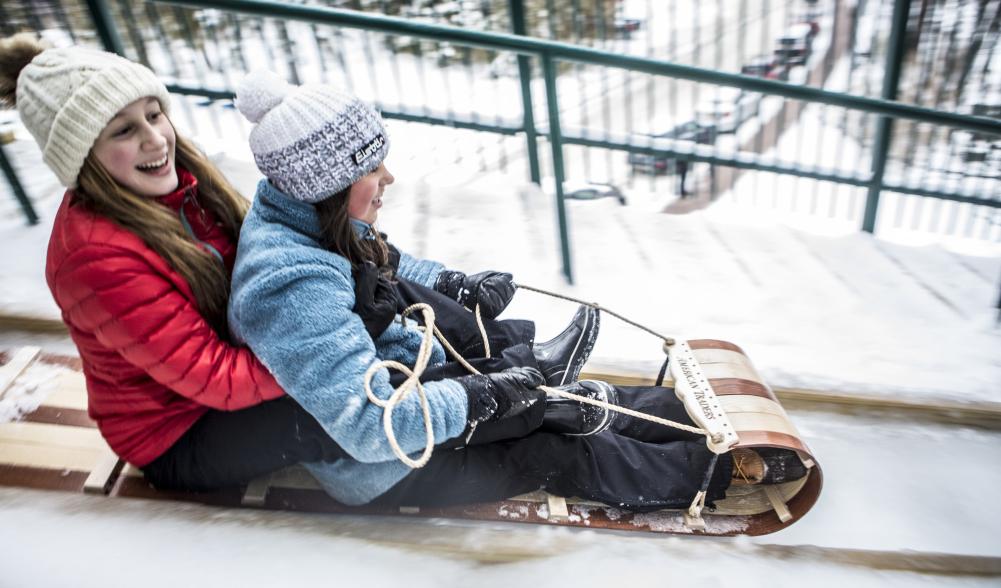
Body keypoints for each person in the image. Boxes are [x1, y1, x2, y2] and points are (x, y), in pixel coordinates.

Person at [228, 70, 808, 510]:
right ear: (329, 184)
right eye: (373, 169)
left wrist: (455, 284)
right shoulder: (288, 287)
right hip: (385, 465)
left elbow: (387, 260)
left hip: (414, 389)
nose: (389, 180)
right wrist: (480, 399)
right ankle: (722, 473)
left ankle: (682, 415)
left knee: (551, 402)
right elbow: (369, 428)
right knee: (548, 447)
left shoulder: (313, 217)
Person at [0, 34, 352, 492]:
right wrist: (331, 354)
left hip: (241, 366)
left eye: (153, 114)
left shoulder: (185, 181)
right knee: (344, 411)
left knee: (380, 349)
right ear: (82, 156)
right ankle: (474, 464)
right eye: (123, 130)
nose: (154, 139)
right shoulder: (93, 257)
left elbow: (275, 251)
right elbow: (217, 379)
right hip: (178, 432)